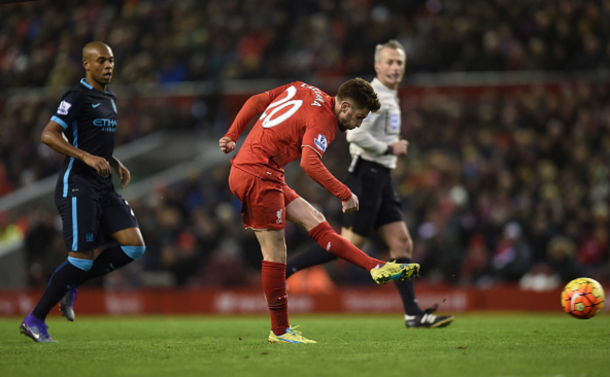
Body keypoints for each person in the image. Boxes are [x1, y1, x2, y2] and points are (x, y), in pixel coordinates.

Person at [219, 77, 420, 344]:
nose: (358, 124)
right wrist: (344, 193)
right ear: (345, 106)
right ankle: (280, 331)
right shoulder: (324, 120)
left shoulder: (303, 87)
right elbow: (309, 163)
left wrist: (232, 135)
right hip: (256, 175)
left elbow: (256, 101)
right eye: (359, 117)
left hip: (262, 170)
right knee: (275, 252)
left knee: (316, 221)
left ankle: (375, 267)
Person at [286, 40, 454, 328]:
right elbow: (355, 136)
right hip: (367, 174)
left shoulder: (389, 96)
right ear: (378, 66)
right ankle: (286, 269)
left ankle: (413, 313)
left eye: (399, 63)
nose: (395, 67)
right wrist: (389, 149)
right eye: (389, 62)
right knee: (350, 244)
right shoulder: (375, 96)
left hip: (382, 178)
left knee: (402, 242)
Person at [20, 42, 146, 342]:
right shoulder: (76, 96)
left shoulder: (110, 98)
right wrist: (86, 157)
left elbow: (95, 139)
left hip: (104, 185)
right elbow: (48, 134)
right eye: (101, 60)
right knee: (81, 259)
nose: (108, 65)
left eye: (111, 60)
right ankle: (35, 319)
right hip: (78, 184)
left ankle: (70, 284)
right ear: (86, 64)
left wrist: (114, 161)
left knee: (134, 246)